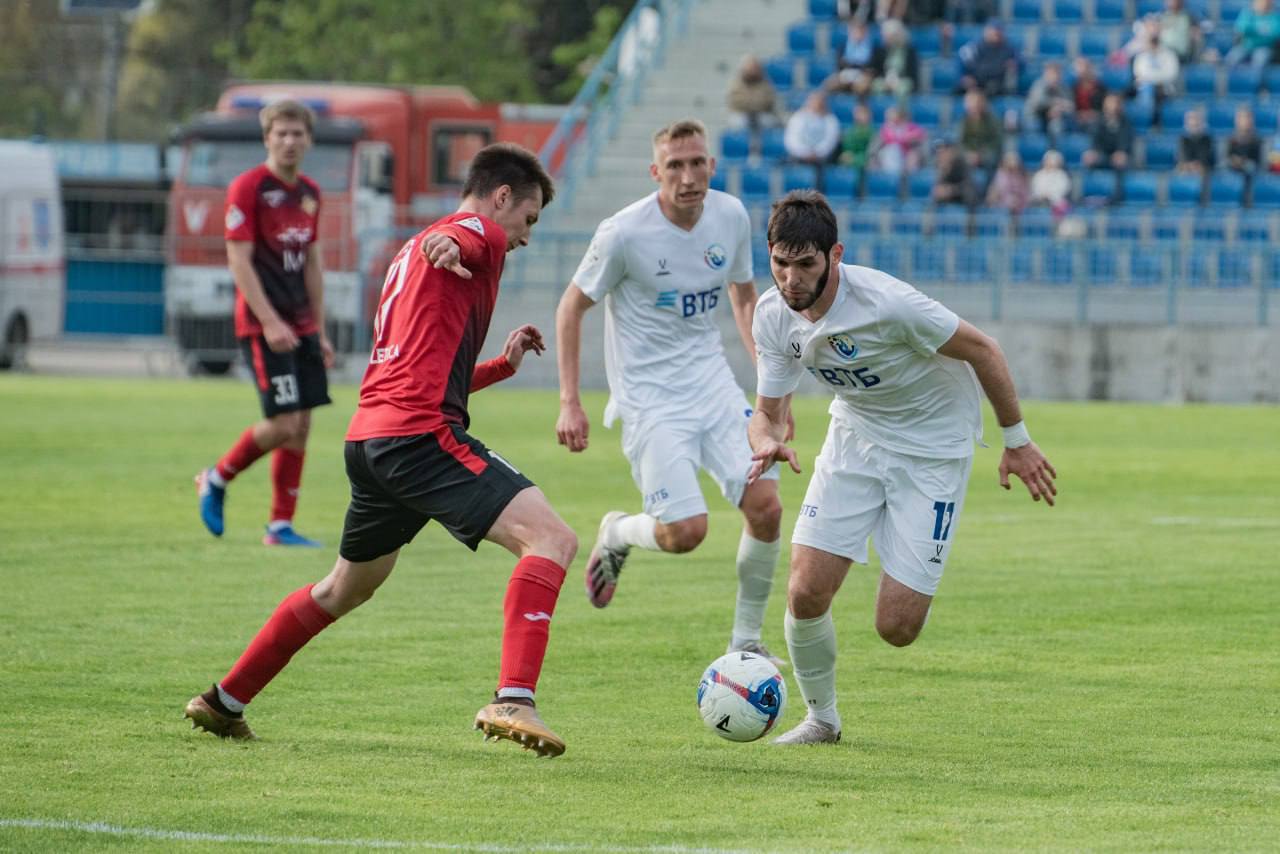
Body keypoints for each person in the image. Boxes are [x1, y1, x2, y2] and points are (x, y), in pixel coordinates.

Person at [184, 143, 579, 758]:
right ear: (503, 197)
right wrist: (459, 245)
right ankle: (514, 698)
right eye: (528, 220)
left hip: (372, 439)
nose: (525, 237)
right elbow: (471, 240)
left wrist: (502, 364)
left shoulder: (407, 254)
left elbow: (426, 366)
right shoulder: (474, 232)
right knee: (552, 539)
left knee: (344, 588)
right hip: (420, 438)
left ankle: (223, 701)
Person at [747, 190, 1057, 744]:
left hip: (933, 452)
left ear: (834, 255)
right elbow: (767, 413)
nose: (791, 279)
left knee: (896, 628)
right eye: (780, 263)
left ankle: (906, 543)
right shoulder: (773, 317)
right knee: (805, 592)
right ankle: (822, 719)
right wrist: (767, 441)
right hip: (855, 441)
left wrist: (1017, 441)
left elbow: (985, 350)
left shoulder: (889, 304)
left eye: (806, 264)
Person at [555, 119, 787, 665]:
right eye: (675, 166)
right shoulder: (623, 233)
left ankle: (746, 644)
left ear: (711, 165)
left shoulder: (729, 215)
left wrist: (770, 393)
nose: (688, 176)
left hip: (712, 386)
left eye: (697, 162)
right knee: (686, 532)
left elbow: (745, 299)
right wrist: (570, 401)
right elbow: (571, 307)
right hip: (650, 400)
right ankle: (618, 532)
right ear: (656, 172)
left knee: (767, 506)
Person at [194, 99, 334, 548]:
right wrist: (270, 321)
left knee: (304, 424)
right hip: (264, 326)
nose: (290, 141)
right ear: (267, 138)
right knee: (282, 423)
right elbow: (239, 261)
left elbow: (312, 262)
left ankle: (279, 526)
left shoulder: (310, 193)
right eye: (282, 133)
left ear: (309, 140)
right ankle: (216, 477)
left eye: (298, 133)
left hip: (303, 324)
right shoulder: (248, 188)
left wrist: (321, 330)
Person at [1131, 31, 1180, 128]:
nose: (1153, 46)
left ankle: (1155, 124)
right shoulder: (1142, 56)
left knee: (1157, 93)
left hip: (1164, 89)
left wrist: (1150, 77)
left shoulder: (1169, 56)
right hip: (1143, 87)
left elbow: (1171, 74)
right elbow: (1139, 73)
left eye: (1156, 42)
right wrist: (1155, 77)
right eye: (1151, 42)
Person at [957, 23, 1020, 96]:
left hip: (995, 82)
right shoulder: (974, 47)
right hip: (976, 80)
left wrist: (1015, 64)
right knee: (958, 90)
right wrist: (963, 77)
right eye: (994, 33)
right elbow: (962, 61)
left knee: (993, 88)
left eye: (999, 33)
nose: (996, 36)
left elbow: (1020, 62)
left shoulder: (1009, 49)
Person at [726, 55, 780, 140]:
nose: (752, 71)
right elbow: (736, 101)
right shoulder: (736, 83)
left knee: (770, 122)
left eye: (754, 68)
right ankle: (742, 147)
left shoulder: (765, 83)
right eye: (750, 68)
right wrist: (753, 103)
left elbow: (768, 100)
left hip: (761, 114)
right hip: (742, 114)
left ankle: (765, 147)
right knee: (737, 123)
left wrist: (751, 103)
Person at [867, 18, 920, 98]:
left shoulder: (909, 51)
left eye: (887, 35)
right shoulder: (880, 51)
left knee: (902, 89)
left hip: (902, 81)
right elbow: (875, 71)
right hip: (884, 81)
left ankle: (900, 110)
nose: (884, 38)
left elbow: (913, 76)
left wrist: (897, 81)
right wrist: (887, 81)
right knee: (874, 85)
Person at [1023, 62, 1074, 142]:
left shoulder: (1064, 88)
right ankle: (1036, 149)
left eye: (1058, 73)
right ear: (1046, 74)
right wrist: (1055, 104)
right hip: (1037, 116)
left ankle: (1055, 151)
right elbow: (1038, 103)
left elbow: (1070, 106)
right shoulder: (1039, 85)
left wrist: (1059, 110)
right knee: (1033, 124)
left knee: (1057, 126)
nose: (1055, 77)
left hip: (1055, 117)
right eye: (1052, 73)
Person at [874, 105, 926, 176]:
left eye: (893, 116)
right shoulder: (886, 128)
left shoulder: (910, 126)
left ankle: (909, 179)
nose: (891, 120)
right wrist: (902, 138)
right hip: (892, 156)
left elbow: (920, 134)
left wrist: (907, 138)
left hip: (907, 154)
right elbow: (887, 139)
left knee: (913, 156)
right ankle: (892, 177)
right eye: (888, 118)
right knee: (891, 150)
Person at [1226, 0, 1280, 68]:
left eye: (1265, 2)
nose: (1262, 4)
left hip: (1265, 47)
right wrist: (1262, 31)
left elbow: (1276, 33)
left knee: (1260, 60)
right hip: (1246, 45)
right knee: (1231, 58)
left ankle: (1253, 79)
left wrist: (1254, 31)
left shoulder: (1275, 16)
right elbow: (1242, 29)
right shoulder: (1248, 13)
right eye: (1259, 2)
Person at [1030, 149, 1072, 217]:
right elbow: (1036, 189)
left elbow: (1064, 189)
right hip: (1040, 202)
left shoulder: (1062, 175)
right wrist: (1043, 195)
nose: (1050, 162)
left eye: (1053, 160)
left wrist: (1050, 196)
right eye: (1048, 160)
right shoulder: (1039, 175)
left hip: (1056, 201)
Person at [1176, 109, 1216, 175]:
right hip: (1187, 171)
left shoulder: (1208, 140)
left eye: (1197, 120)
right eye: (1191, 120)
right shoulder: (1182, 140)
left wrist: (1197, 166)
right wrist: (1189, 166)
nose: (1194, 122)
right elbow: (1183, 158)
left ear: (1202, 122)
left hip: (1205, 172)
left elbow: (1206, 159)